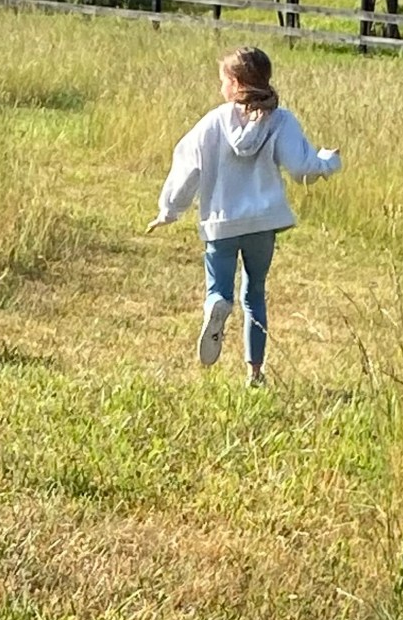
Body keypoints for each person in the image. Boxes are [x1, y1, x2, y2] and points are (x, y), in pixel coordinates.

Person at [145, 46, 342, 387]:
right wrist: (327, 162)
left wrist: (169, 210)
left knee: (219, 287)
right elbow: (301, 167)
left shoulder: (213, 122)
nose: (220, 86)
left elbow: (188, 167)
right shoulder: (281, 120)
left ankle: (216, 303)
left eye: (223, 80)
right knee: (254, 293)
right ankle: (255, 372)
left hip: (221, 223)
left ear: (235, 83)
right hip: (263, 224)